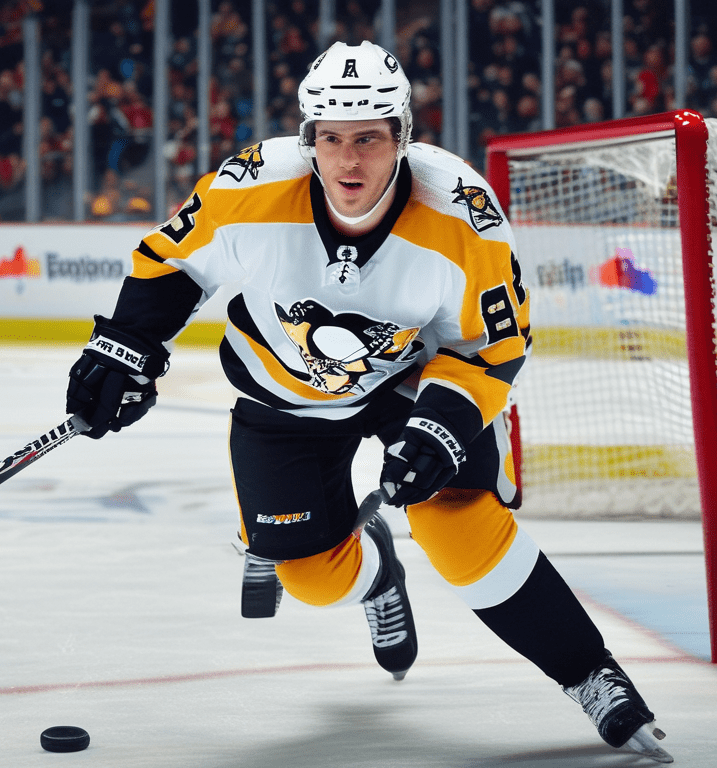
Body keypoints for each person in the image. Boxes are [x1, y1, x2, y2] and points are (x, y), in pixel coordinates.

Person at [64, 41, 672, 762]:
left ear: (401, 137)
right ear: (308, 139)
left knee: (458, 526)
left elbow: (493, 344)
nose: (348, 162)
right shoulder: (251, 186)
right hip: (281, 394)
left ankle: (590, 674)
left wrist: (443, 427)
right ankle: (380, 571)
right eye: (331, 139)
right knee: (313, 581)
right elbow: (173, 262)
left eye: (368, 140)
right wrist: (127, 347)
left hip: (409, 386)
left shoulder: (461, 213)